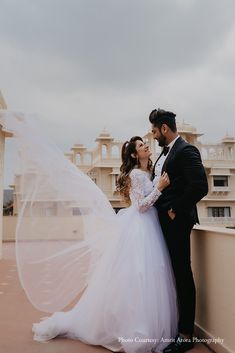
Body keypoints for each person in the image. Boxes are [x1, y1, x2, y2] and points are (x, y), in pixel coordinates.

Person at [29, 135, 178, 353]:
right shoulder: (136, 174)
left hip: (150, 228)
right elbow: (141, 206)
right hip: (140, 228)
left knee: (151, 274)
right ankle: (134, 327)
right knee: (138, 275)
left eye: (145, 144)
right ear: (135, 155)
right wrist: (160, 188)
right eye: (141, 145)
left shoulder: (148, 172)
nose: (146, 145)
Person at [149, 109, 208, 353]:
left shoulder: (186, 150)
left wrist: (175, 208)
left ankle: (186, 334)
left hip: (176, 222)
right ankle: (175, 326)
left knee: (182, 274)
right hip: (160, 223)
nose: (153, 136)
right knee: (170, 274)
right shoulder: (164, 153)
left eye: (154, 130)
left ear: (164, 128)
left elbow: (200, 186)